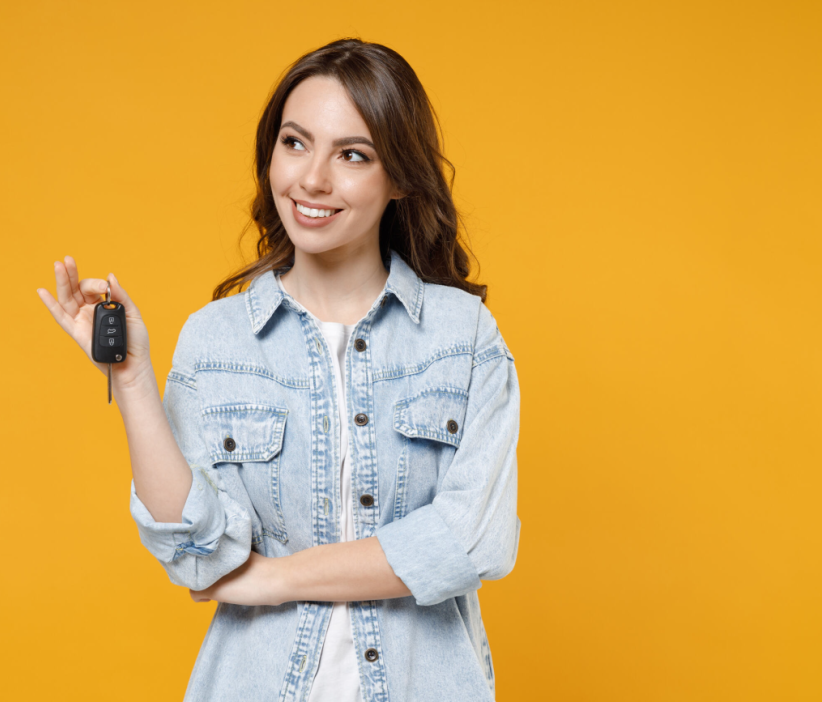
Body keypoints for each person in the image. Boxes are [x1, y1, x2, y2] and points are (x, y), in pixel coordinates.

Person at [37, 37, 521, 702]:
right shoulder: (218, 339)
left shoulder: (461, 337)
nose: (312, 179)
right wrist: (132, 380)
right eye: (295, 143)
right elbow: (200, 554)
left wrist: (271, 579)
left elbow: (470, 542)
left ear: (400, 177)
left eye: (353, 155)